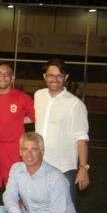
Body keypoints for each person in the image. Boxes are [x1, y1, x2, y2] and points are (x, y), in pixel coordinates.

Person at [34, 58, 89, 202]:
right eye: (51, 75)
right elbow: (34, 118)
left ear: (66, 78)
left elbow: (81, 138)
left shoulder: (75, 104)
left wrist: (83, 167)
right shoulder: (39, 95)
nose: (55, 79)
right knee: (39, 211)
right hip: (39, 166)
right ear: (45, 77)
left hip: (63, 169)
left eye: (59, 76)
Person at [0, 61, 34, 202]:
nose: (3, 78)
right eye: (0, 74)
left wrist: (18, 121)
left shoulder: (22, 97)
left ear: (12, 78)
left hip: (14, 147)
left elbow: (36, 117)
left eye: (7, 75)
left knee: (16, 187)